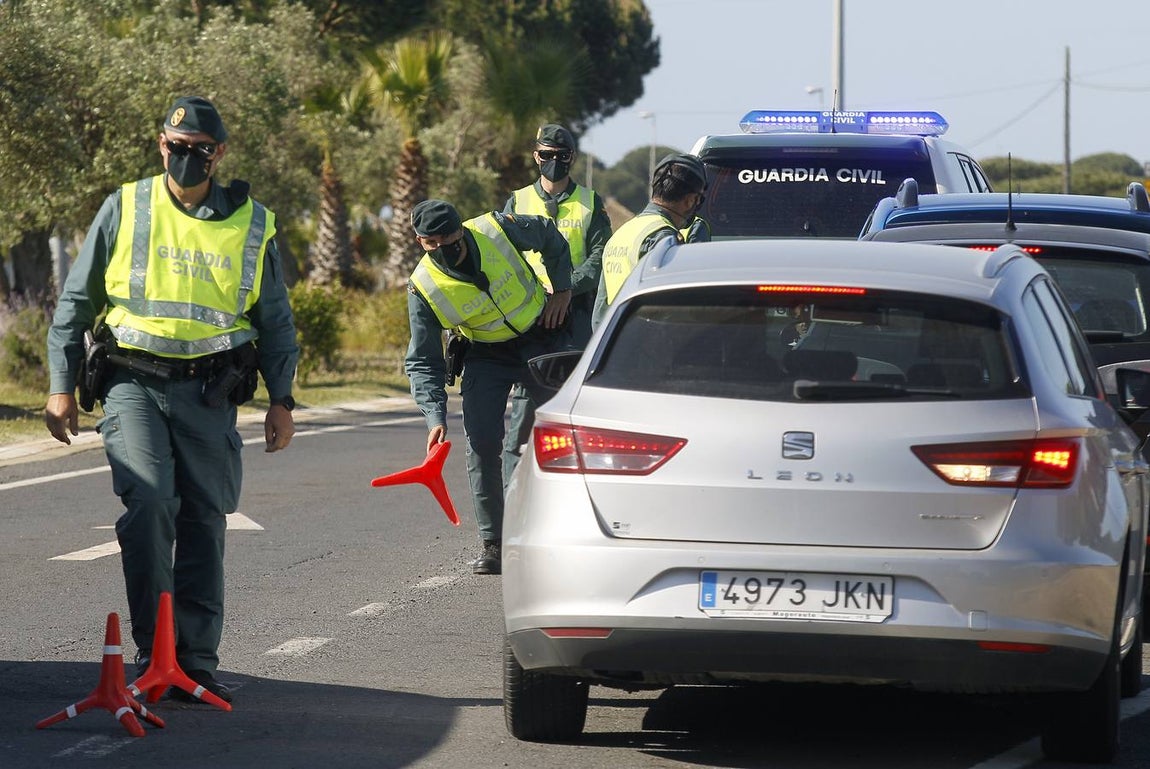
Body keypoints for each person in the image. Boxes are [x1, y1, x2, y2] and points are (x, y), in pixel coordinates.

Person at [44, 95, 299, 704]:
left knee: (205, 521)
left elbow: (275, 319)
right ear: (161, 144)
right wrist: (60, 385)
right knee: (150, 501)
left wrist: (282, 399)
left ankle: (195, 661)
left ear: (220, 153)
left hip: (209, 392)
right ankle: (153, 652)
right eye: (176, 148)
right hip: (131, 382)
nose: (186, 159)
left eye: (200, 151)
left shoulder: (252, 222)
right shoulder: (125, 206)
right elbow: (75, 302)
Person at [404, 199, 572, 575]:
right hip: (485, 355)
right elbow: (422, 359)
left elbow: (548, 236)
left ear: (461, 227)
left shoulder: (496, 228)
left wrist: (562, 289)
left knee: (568, 431)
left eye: (449, 236)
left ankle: (569, 529)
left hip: (540, 337)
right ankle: (494, 543)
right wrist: (434, 415)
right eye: (432, 242)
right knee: (480, 444)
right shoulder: (423, 287)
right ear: (419, 241)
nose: (444, 246)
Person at [500, 123, 612, 488]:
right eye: (547, 156)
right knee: (522, 416)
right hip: (530, 319)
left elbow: (599, 257)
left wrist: (565, 290)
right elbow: (504, 255)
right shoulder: (517, 201)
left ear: (572, 159)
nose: (553, 163)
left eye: (561, 157)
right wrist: (539, 296)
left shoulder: (591, 203)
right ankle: (508, 515)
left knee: (578, 411)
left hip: (575, 317)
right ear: (536, 156)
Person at [592, 152, 709, 330]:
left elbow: (600, 311)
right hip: (644, 344)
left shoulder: (623, 232)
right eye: (698, 199)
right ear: (689, 200)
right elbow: (670, 310)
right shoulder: (664, 240)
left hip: (615, 343)